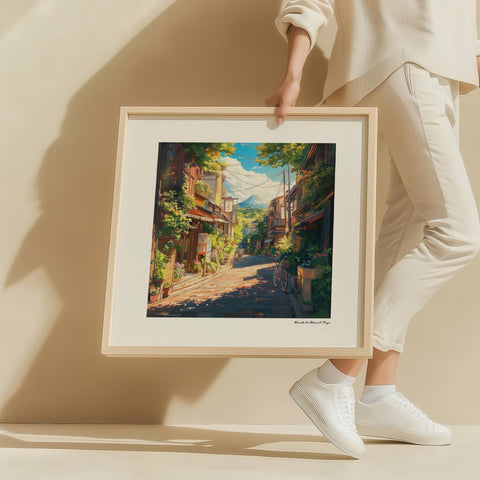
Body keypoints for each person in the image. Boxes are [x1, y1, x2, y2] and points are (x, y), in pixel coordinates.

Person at [266, 0, 480, 459]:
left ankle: (378, 395)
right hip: (403, 60)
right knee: (457, 233)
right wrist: (294, 72)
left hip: (438, 70)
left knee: (404, 232)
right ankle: (335, 375)